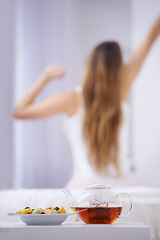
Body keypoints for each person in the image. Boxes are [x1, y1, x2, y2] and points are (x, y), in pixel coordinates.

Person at [14, 16, 160, 189]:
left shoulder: (70, 100)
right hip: (126, 186)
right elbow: (151, 37)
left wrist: (46, 77)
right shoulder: (123, 85)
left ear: (89, 65)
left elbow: (20, 111)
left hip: (84, 187)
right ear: (119, 68)